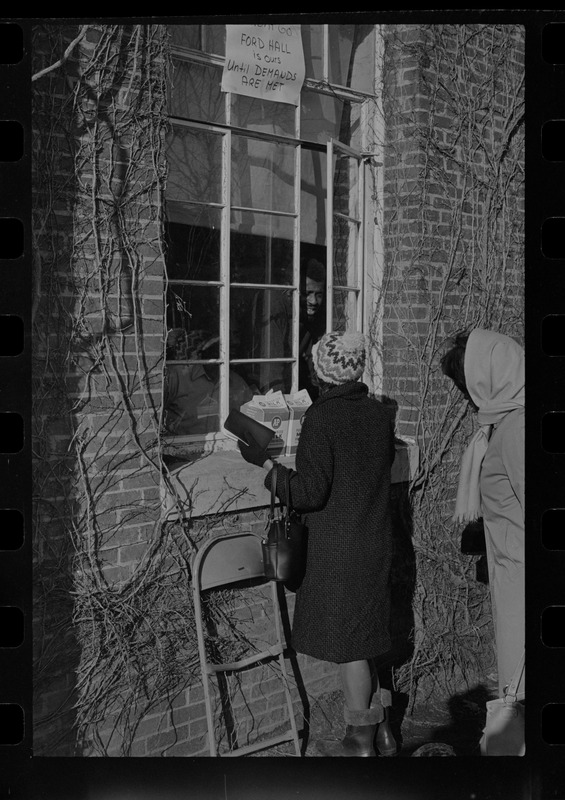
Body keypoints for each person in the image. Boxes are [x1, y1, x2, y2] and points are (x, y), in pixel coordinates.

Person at [239, 331, 397, 756]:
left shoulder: (323, 419)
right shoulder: (379, 415)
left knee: (349, 648)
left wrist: (269, 467)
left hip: (338, 551)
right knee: (364, 642)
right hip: (374, 541)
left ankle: (359, 737)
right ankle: (384, 733)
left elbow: (310, 493)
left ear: (321, 371)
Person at [441, 328, 525, 704]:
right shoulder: (503, 424)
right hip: (511, 574)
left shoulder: (516, 430)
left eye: (468, 386)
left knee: (520, 689)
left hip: (524, 580)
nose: (468, 397)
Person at [251, 257, 326, 399]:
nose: (314, 301)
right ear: (290, 289)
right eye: (307, 293)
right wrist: (278, 404)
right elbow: (272, 363)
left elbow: (313, 359)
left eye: (319, 294)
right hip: (263, 386)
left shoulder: (308, 314)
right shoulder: (274, 304)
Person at [164, 334, 254, 436]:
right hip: (184, 445)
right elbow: (156, 411)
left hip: (225, 444)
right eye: (213, 351)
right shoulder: (178, 376)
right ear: (202, 354)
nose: (219, 357)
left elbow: (251, 414)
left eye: (224, 353)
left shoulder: (236, 382)